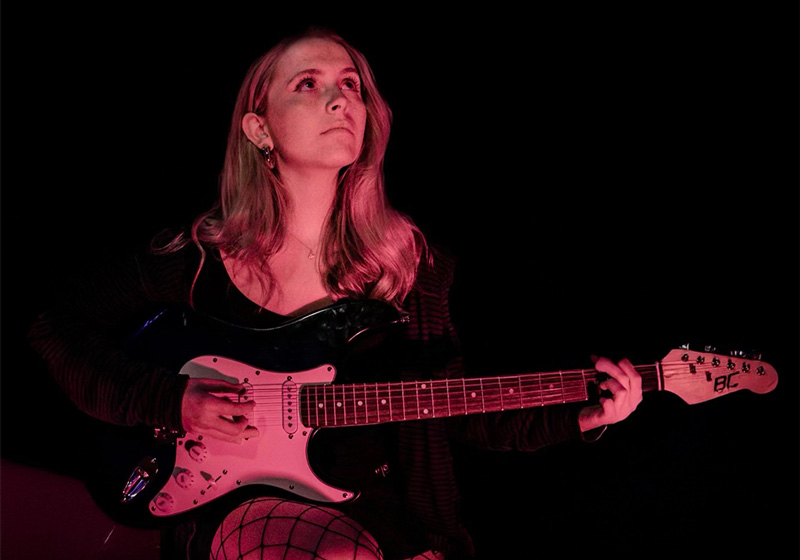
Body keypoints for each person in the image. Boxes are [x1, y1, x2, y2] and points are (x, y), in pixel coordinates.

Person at [28, 27, 643, 560]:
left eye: (351, 84)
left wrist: (581, 414)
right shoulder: (195, 257)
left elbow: (449, 410)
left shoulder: (409, 266)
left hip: (380, 506)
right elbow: (54, 329)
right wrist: (172, 400)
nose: (340, 98)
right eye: (308, 84)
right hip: (237, 504)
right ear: (258, 128)